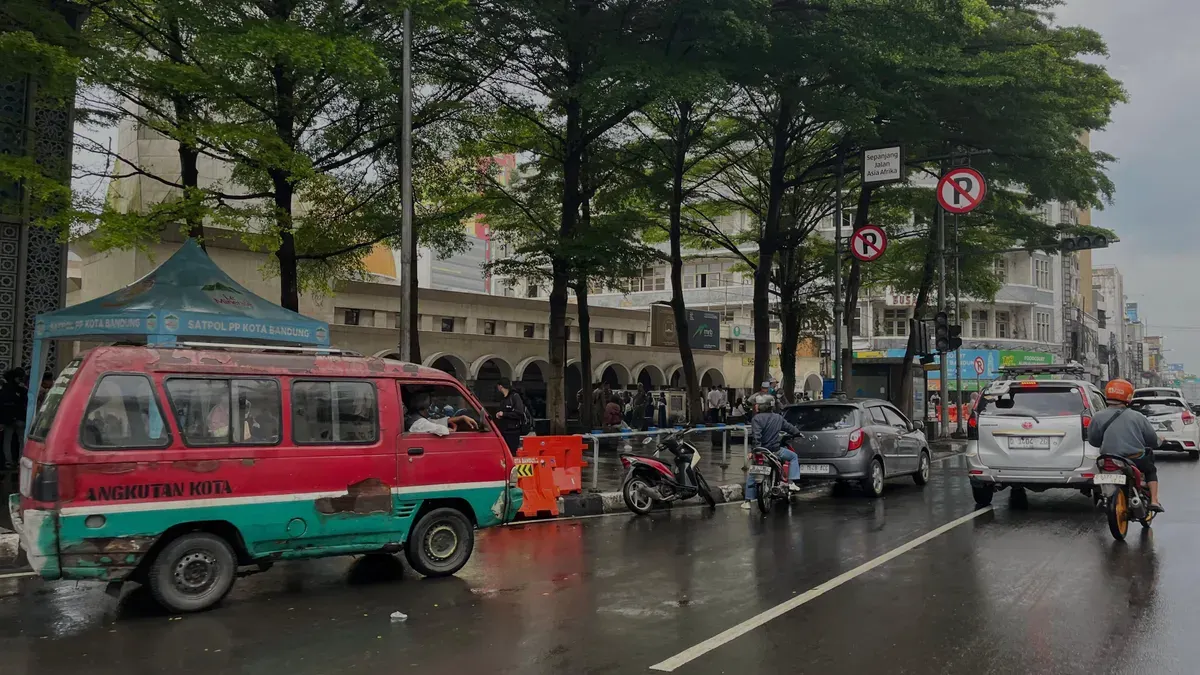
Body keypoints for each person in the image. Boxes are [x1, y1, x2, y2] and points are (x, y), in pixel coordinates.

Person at [1088, 378, 1164, 512]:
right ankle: (1154, 500)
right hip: (1134, 459)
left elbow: (1093, 441)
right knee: (1150, 469)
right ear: (1128, 396)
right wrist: (1160, 441)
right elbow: (1152, 440)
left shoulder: (1097, 417)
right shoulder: (1137, 417)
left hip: (1108, 460)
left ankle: (1103, 497)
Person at [743, 397, 802, 509]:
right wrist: (797, 433)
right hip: (776, 451)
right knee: (794, 457)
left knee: (753, 474)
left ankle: (747, 501)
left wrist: (754, 451)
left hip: (761, 452)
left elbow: (756, 437)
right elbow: (789, 427)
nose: (755, 406)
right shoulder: (778, 418)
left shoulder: (756, 419)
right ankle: (790, 482)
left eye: (757, 404)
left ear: (761, 406)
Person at [405, 392, 478, 436]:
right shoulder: (417, 422)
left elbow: (432, 421)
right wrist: (450, 429)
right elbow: (437, 428)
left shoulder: (415, 417)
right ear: (425, 408)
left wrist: (460, 418)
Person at [0, 367, 27, 470]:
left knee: (8, 440)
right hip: (20, 418)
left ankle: (8, 461)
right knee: (21, 440)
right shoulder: (21, 389)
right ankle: (21, 460)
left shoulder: (4, 390)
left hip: (7, 419)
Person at [494, 378, 528, 455]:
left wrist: (504, 414)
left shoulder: (515, 396)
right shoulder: (503, 399)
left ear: (500, 386)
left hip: (513, 430)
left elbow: (519, 412)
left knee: (512, 452)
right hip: (503, 430)